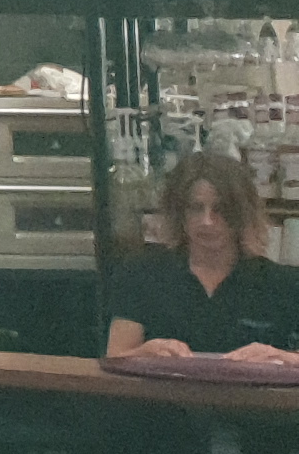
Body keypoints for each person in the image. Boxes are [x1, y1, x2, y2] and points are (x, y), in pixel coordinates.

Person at [105, 152, 299, 360]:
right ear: (178, 213)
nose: (207, 221)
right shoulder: (142, 274)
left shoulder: (284, 284)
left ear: (242, 213)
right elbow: (115, 358)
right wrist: (144, 353)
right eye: (196, 208)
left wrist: (283, 358)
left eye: (220, 209)